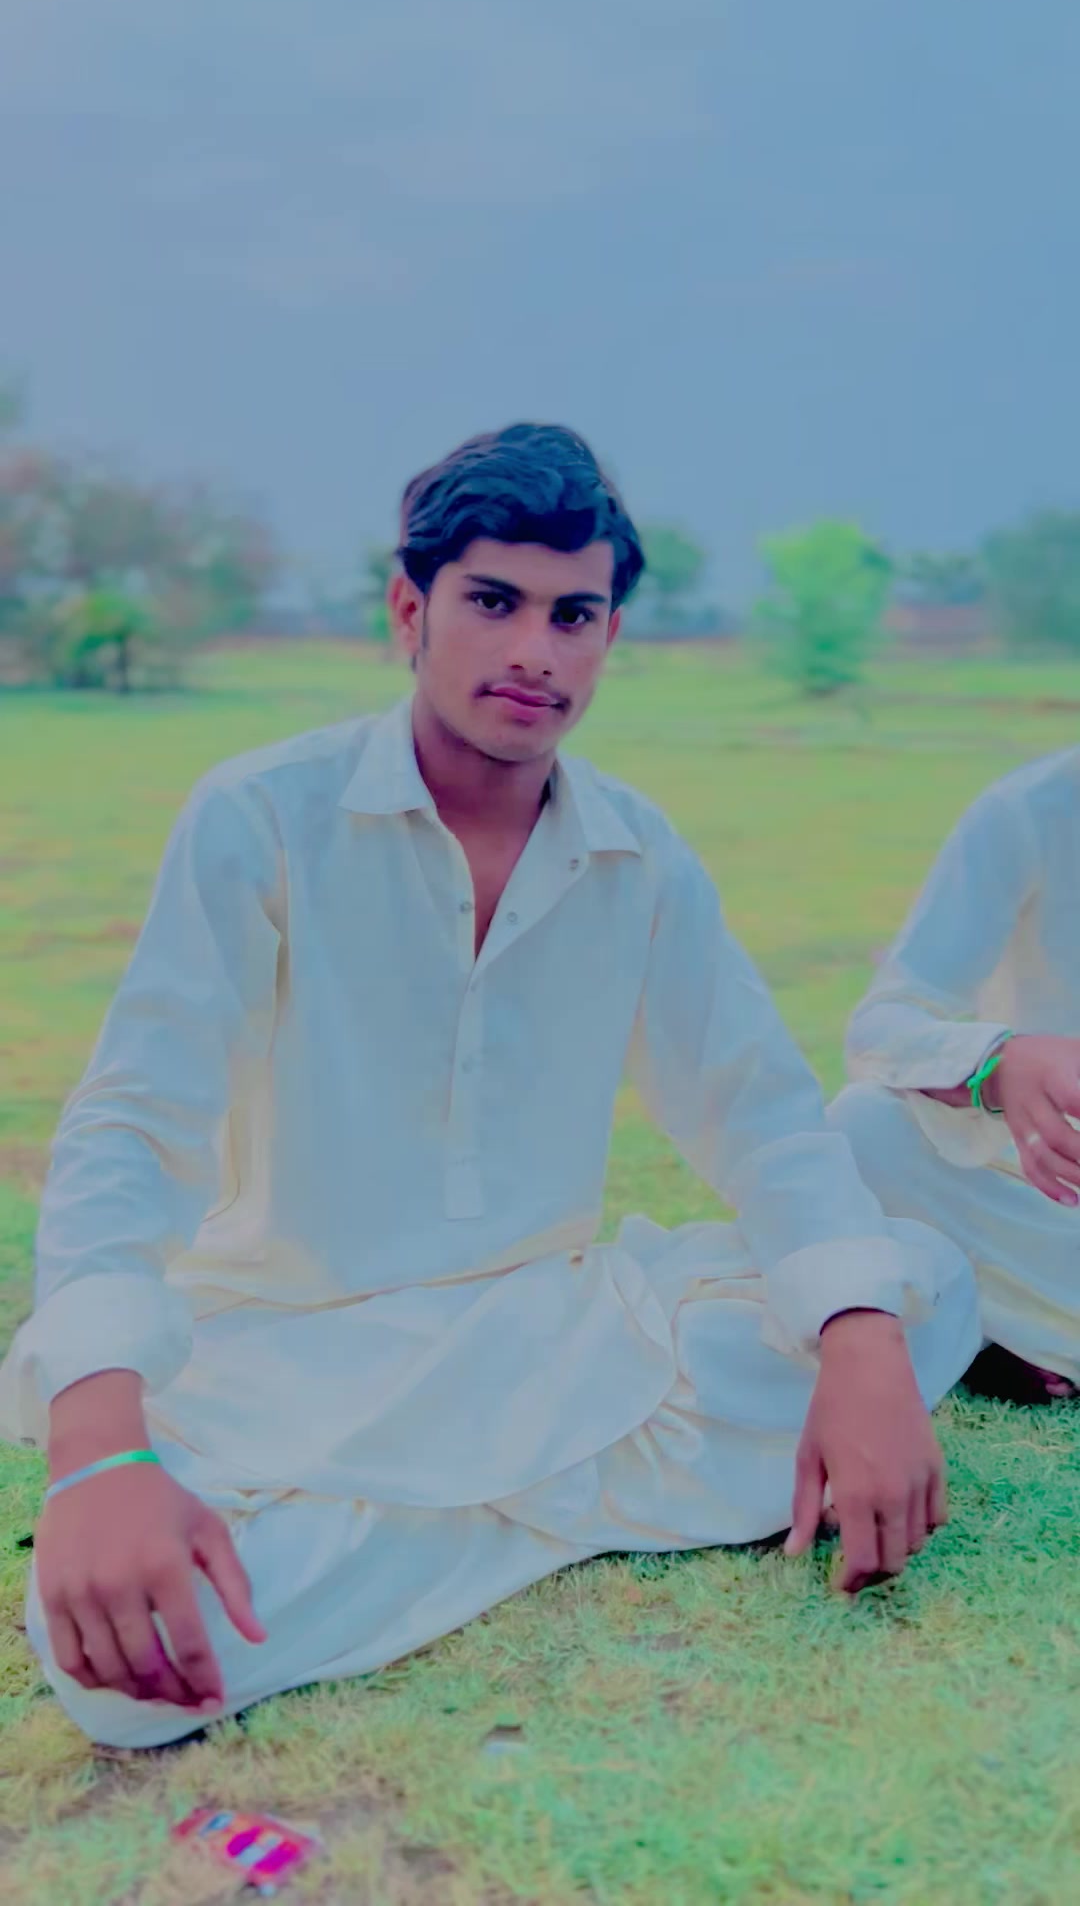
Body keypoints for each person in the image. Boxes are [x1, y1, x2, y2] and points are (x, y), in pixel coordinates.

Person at [0, 424, 979, 1751]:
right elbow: (132, 1124)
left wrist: (859, 1346)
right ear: (410, 610)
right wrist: (104, 1455)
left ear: (609, 636)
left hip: (547, 1329)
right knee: (122, 1678)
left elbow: (760, 1114)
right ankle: (557, 1502)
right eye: (494, 602)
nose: (536, 651)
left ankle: (437, 1517)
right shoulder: (261, 818)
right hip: (289, 1357)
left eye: (573, 616)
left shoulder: (638, 853)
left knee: (919, 1285)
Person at [832, 747, 1080, 1403]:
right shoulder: (1030, 812)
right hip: (1057, 1199)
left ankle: (1009, 1332)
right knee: (862, 1127)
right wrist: (999, 1063)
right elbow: (883, 1024)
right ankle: (1015, 1330)